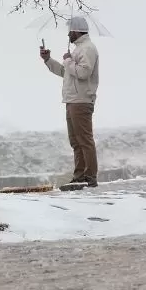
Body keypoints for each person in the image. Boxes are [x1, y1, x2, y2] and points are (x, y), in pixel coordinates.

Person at [39, 16, 100, 187]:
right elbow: (65, 72)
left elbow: (83, 73)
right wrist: (48, 60)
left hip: (81, 100)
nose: (68, 34)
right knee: (76, 141)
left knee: (84, 140)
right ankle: (79, 176)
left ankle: (90, 177)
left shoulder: (87, 48)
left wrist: (67, 60)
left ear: (77, 30)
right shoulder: (78, 49)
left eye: (70, 31)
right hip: (72, 100)